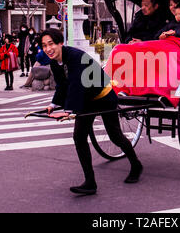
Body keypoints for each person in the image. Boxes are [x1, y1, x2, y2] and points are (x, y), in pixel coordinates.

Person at [41, 28, 143, 195]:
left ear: (60, 43)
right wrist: (53, 105)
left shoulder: (75, 57)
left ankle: (136, 165)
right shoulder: (54, 62)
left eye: (51, 44)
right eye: (44, 46)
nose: (48, 49)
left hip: (103, 95)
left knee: (115, 135)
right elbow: (62, 85)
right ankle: (90, 182)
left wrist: (68, 111)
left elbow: (76, 85)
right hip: (87, 100)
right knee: (79, 137)